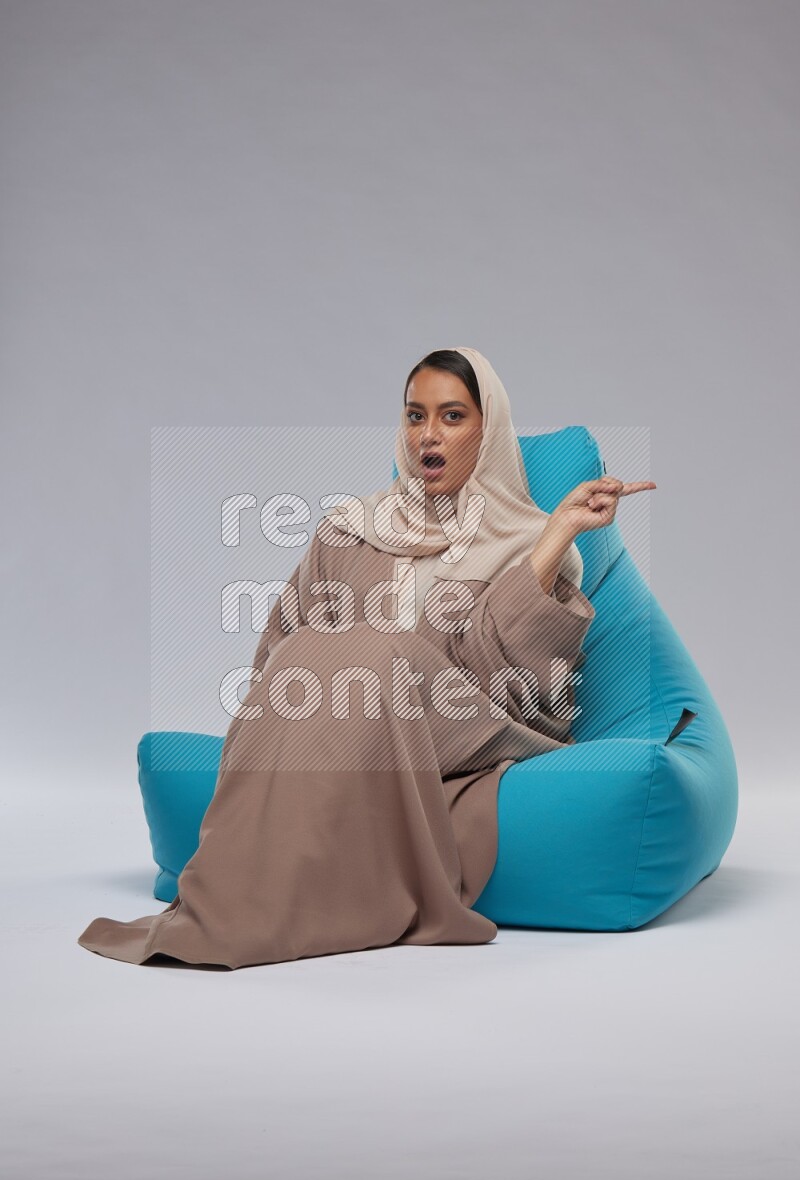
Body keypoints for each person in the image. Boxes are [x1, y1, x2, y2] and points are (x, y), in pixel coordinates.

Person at [77, 346, 656, 969]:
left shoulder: (533, 543)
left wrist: (556, 538)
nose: (429, 435)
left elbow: (519, 691)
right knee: (334, 656)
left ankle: (258, 911)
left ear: (489, 432)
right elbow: (280, 655)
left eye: (453, 417)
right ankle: (234, 900)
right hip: (345, 730)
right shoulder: (351, 529)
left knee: (372, 655)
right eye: (415, 416)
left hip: (471, 729)